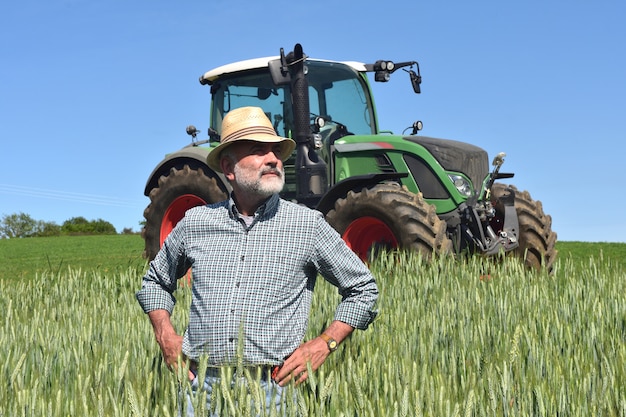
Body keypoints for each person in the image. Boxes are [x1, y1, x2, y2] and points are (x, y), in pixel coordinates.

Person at [136, 106, 379, 415]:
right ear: (229, 167)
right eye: (258, 151)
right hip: (201, 389)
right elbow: (155, 281)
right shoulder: (195, 222)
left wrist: (325, 344)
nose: (273, 159)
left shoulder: (307, 225)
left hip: (273, 390)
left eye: (276, 151)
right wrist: (165, 334)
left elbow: (363, 289)